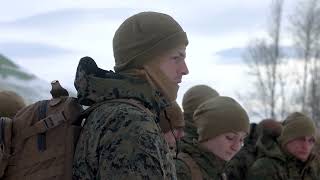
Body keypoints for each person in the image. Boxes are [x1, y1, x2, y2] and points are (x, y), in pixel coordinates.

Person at [73, 11, 189, 180]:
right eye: (176, 58)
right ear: (145, 61)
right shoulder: (131, 122)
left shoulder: (116, 111)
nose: (185, 69)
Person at [175, 96, 250, 180]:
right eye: (230, 137)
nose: (236, 147)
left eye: (241, 140)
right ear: (207, 133)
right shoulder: (181, 171)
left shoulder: (218, 169)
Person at [247, 112, 320, 180]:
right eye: (300, 139)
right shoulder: (266, 168)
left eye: (311, 141)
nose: (306, 146)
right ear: (285, 140)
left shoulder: (313, 166)